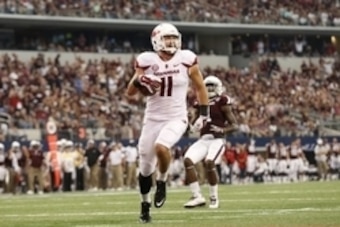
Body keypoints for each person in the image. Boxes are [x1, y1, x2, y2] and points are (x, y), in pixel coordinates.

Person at [126, 22, 209, 223]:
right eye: (167, 38)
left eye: (174, 37)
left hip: (176, 117)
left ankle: (162, 181)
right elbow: (130, 93)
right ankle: (145, 207)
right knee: (145, 168)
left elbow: (199, 87)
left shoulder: (186, 58)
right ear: (156, 40)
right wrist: (141, 81)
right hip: (152, 118)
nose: (171, 42)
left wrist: (203, 114)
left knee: (162, 147)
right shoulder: (147, 60)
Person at [183, 75, 238, 209]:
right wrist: (188, 123)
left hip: (217, 139)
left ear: (218, 87)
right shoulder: (199, 102)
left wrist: (222, 130)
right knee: (187, 160)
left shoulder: (222, 101)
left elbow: (235, 125)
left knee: (209, 162)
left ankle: (214, 197)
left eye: (211, 86)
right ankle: (197, 196)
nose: (209, 89)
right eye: (207, 86)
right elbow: (192, 128)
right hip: (203, 139)